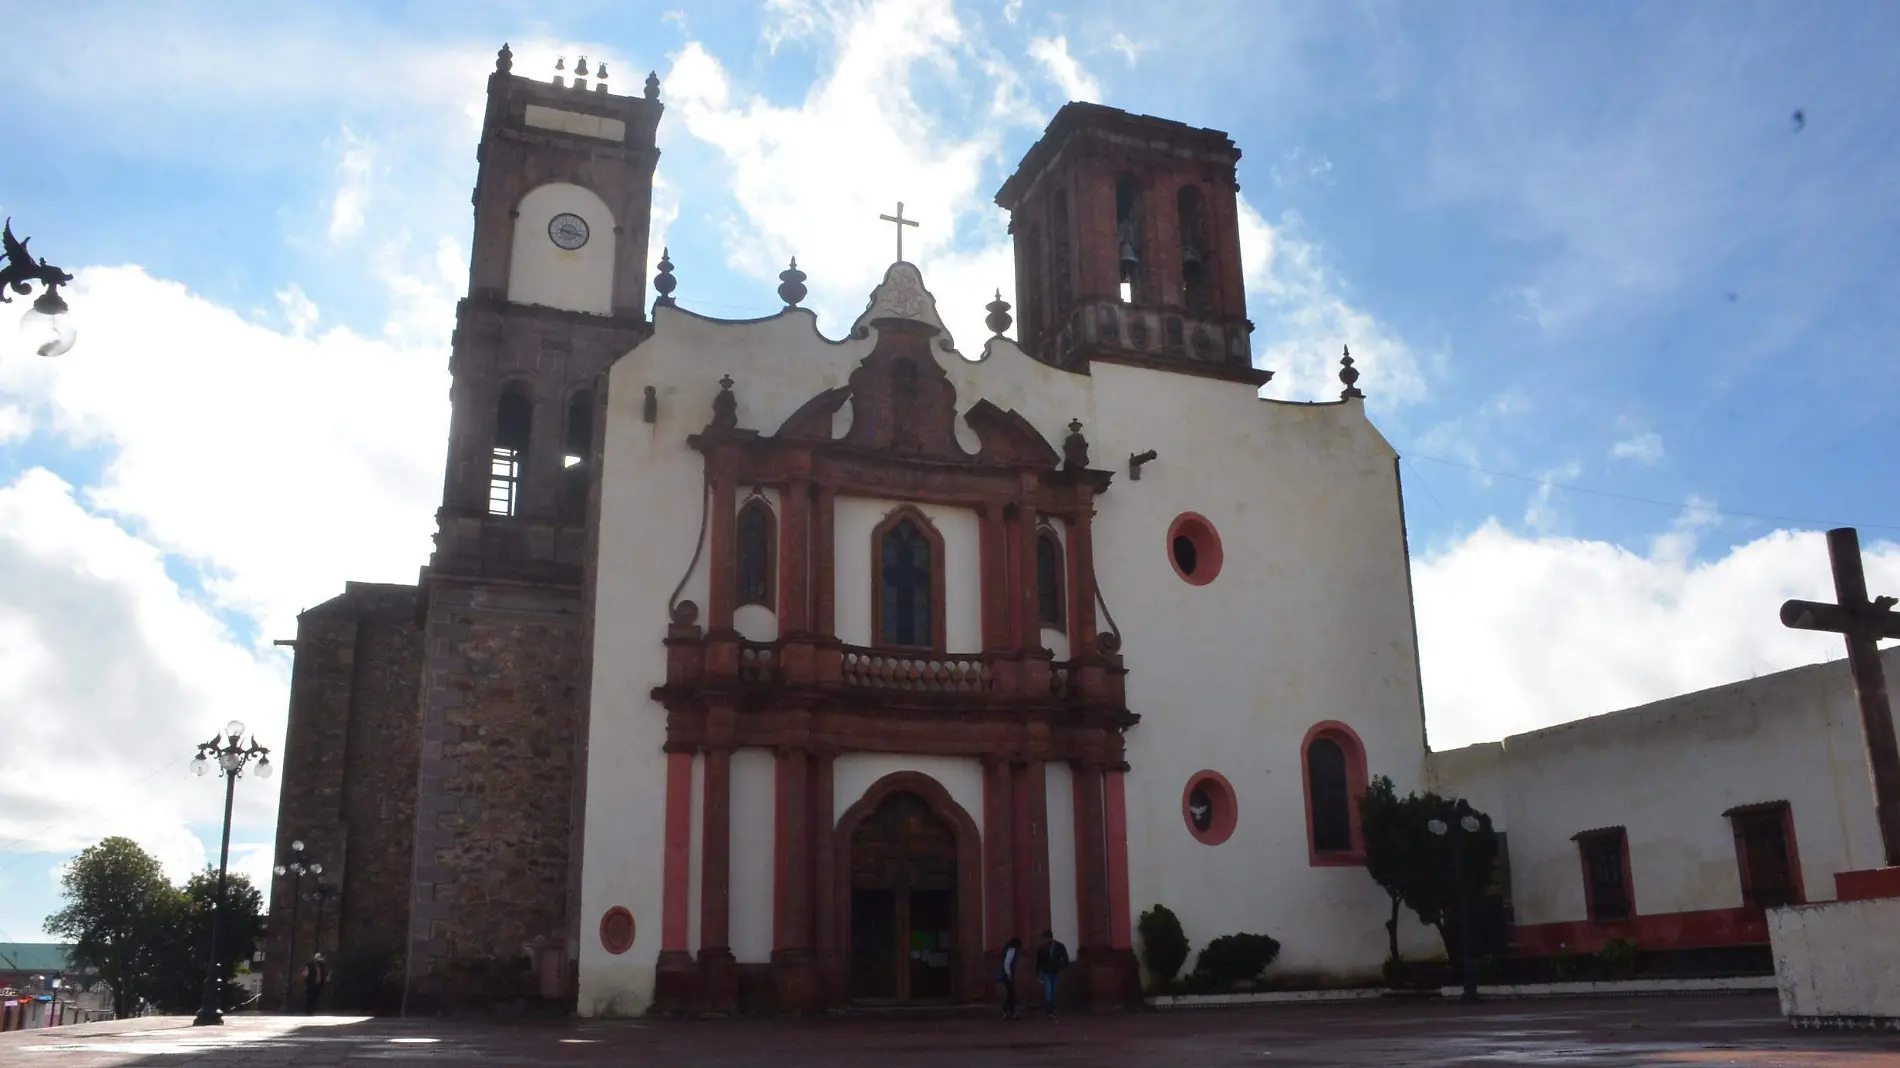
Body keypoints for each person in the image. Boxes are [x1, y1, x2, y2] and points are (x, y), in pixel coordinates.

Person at [1034, 929, 1068, 1019]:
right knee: (1049, 992)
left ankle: (1051, 1009)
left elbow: (1065, 958)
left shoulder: (1060, 946)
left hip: (1055, 971)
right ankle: (1049, 1011)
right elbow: (1038, 961)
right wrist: (1038, 973)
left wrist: (1061, 966)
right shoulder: (1042, 948)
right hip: (1047, 972)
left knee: (1053, 991)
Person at [998, 936, 1022, 1020]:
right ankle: (1007, 1011)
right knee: (1011, 994)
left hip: (1008, 974)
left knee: (1011, 994)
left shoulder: (1009, 949)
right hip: (1008, 975)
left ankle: (1010, 1012)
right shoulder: (1012, 950)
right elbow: (1007, 963)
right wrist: (1009, 974)